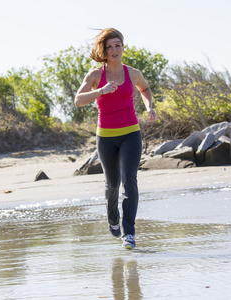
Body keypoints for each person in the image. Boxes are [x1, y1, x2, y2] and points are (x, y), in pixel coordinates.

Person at [75, 28, 156, 249]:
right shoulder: (94, 75)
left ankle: (128, 233)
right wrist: (101, 91)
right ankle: (113, 218)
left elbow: (145, 89)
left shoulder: (132, 73)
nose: (114, 50)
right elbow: (78, 100)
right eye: (109, 46)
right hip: (106, 137)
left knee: (129, 179)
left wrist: (149, 106)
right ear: (104, 49)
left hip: (131, 133)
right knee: (112, 183)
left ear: (123, 47)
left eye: (117, 45)